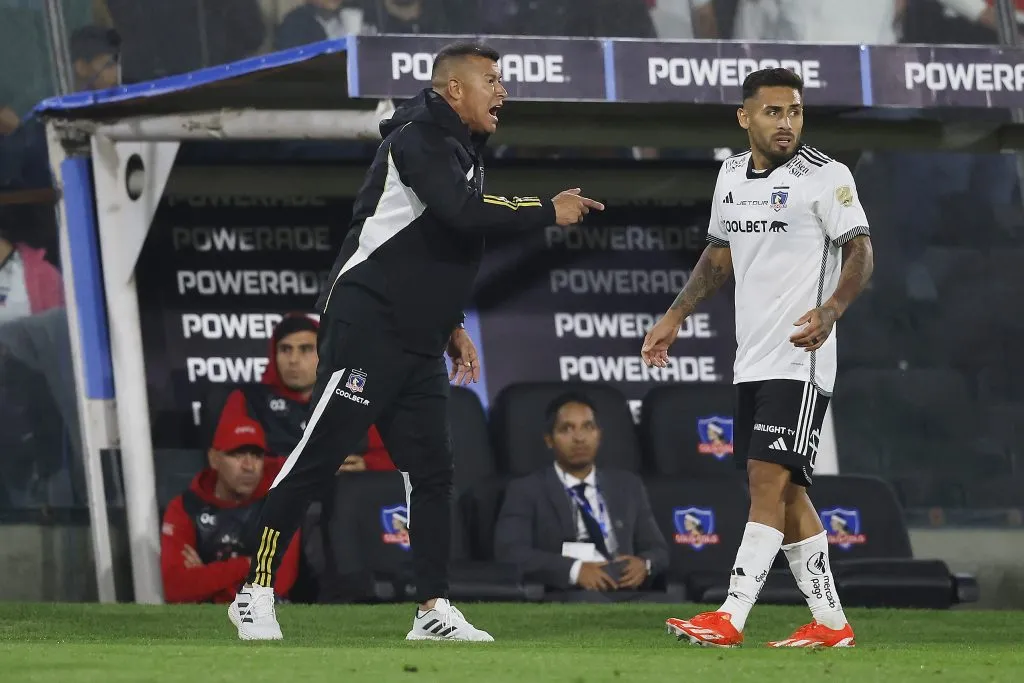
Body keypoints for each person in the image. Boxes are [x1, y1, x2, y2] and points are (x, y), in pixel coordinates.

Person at [229, 41, 603, 642]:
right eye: (491, 80)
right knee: (316, 460)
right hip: (369, 326)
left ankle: (431, 607)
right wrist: (544, 209)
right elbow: (460, 211)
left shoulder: (463, 146)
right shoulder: (418, 137)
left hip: (419, 334)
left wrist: (452, 322)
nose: (502, 91)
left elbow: (441, 247)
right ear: (454, 89)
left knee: (432, 474)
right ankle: (253, 591)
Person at [642, 67, 873, 648]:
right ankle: (831, 624)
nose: (786, 123)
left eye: (794, 111)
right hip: (753, 358)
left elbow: (861, 252)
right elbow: (718, 257)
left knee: (765, 480)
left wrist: (832, 310)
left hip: (802, 357)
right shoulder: (729, 175)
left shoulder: (826, 176)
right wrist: (675, 316)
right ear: (745, 117)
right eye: (773, 112)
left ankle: (730, 616)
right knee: (789, 492)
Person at [494, 393, 668, 599]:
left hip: (626, 589)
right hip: (569, 593)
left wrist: (645, 564)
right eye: (567, 429)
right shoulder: (526, 489)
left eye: (588, 427)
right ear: (549, 440)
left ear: (599, 434)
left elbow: (658, 549)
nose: (579, 438)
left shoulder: (628, 486)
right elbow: (510, 552)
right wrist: (575, 570)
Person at [216, 312, 395, 471]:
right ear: (273, 354)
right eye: (285, 349)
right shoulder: (248, 400)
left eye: (306, 349)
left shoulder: (353, 399)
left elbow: (400, 456)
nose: (293, 360)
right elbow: (231, 464)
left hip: (349, 499)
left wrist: (368, 465)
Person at [161, 413, 301, 604]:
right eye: (237, 454)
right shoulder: (185, 507)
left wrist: (208, 584)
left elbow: (277, 585)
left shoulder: (281, 504)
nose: (249, 466)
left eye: (256, 455)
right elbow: (176, 588)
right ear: (214, 459)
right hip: (202, 627)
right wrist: (248, 564)